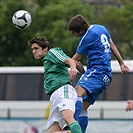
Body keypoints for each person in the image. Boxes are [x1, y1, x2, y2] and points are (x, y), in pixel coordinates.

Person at [67, 14, 130, 133]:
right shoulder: (101, 28)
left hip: (98, 72)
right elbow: (112, 46)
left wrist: (71, 66)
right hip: (106, 75)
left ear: (81, 31)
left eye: (73, 33)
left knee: (77, 92)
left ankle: (71, 126)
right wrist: (121, 63)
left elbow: (75, 59)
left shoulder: (86, 38)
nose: (73, 35)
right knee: (82, 108)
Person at [28, 36, 82, 133]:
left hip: (63, 90)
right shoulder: (47, 60)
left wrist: (73, 67)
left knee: (67, 116)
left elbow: (69, 60)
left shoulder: (52, 52)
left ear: (45, 48)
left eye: (36, 48)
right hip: (55, 97)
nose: (34, 51)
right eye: (32, 49)